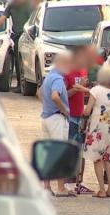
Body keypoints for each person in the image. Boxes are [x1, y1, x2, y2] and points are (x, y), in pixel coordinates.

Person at [38, 52, 76, 197]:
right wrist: (64, 110)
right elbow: (55, 96)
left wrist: (47, 106)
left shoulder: (49, 76)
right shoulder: (58, 79)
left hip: (46, 118)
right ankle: (61, 188)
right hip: (56, 119)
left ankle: (47, 186)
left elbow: (39, 93)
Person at [83, 66, 110, 198]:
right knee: (108, 160)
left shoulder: (96, 90)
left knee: (97, 159)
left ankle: (101, 190)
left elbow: (87, 111)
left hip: (97, 129)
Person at [64, 46, 94, 194]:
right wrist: (76, 89)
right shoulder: (66, 73)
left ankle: (78, 180)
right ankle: (68, 179)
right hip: (69, 115)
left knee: (80, 149)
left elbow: (84, 91)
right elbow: (63, 95)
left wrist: (84, 86)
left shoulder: (83, 71)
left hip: (80, 114)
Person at [0, 0, 35, 93]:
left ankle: (22, 85)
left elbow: (2, 18)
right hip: (28, 36)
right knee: (23, 62)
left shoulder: (17, 5)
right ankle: (23, 85)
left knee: (21, 62)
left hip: (24, 36)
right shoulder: (22, 4)